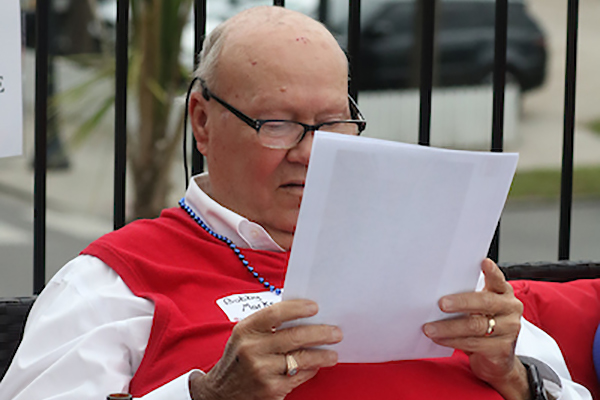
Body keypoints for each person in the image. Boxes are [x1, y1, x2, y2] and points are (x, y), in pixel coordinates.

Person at [0, 6, 592, 400]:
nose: (311, 153)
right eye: (278, 123)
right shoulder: (117, 281)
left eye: (333, 121)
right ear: (202, 123)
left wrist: (515, 377)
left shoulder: (429, 250)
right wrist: (209, 396)